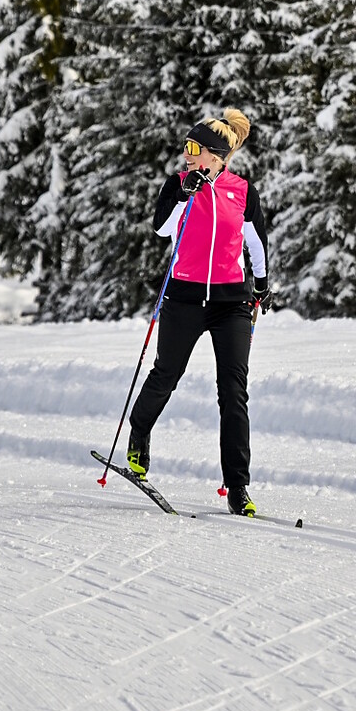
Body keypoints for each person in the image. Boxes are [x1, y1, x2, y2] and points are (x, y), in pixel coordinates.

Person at [126, 109, 270, 515]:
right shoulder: (177, 184)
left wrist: (262, 284)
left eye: (193, 148)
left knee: (233, 392)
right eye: (186, 147)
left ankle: (238, 487)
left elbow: (256, 241)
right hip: (185, 298)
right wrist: (184, 195)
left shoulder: (242, 191)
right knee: (166, 375)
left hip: (232, 303)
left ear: (215, 155)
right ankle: (139, 435)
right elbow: (162, 229)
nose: (186, 154)